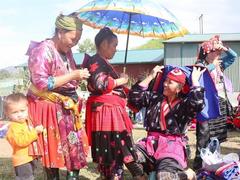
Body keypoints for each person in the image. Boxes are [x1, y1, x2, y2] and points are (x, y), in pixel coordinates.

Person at [26, 14, 90, 180]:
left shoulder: (66, 51)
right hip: (49, 107)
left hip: (66, 106)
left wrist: (76, 76)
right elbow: (41, 83)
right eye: (73, 39)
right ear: (60, 32)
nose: (74, 43)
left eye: (78, 40)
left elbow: (67, 76)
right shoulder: (42, 50)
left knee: (75, 148)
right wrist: (73, 75)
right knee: (53, 153)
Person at [83, 27, 145, 179]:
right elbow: (99, 84)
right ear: (104, 44)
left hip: (110, 111)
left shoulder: (102, 62)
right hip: (106, 112)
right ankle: (125, 174)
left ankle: (128, 173)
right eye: (114, 45)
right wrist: (120, 80)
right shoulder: (95, 61)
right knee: (113, 148)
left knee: (119, 145)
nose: (116, 49)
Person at [128, 65, 206, 180]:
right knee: (127, 153)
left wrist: (195, 81)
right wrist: (150, 76)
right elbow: (134, 98)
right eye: (165, 80)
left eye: (170, 82)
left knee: (163, 177)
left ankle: (189, 175)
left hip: (171, 147)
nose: (165, 84)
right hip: (150, 145)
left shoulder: (184, 104)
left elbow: (198, 103)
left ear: (179, 88)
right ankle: (141, 176)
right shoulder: (154, 98)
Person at [193, 35, 238, 171]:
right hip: (206, 105)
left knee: (217, 136)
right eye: (215, 51)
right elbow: (201, 75)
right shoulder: (200, 65)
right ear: (207, 52)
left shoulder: (219, 64)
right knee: (204, 135)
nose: (218, 53)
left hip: (220, 103)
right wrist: (214, 65)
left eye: (219, 52)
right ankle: (199, 165)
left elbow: (233, 56)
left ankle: (213, 161)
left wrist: (224, 48)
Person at [4, 93, 43, 180]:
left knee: (30, 176)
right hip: (22, 160)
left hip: (29, 157)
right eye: (15, 112)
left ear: (27, 109)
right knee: (26, 178)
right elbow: (20, 141)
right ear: (7, 114)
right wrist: (35, 132)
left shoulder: (26, 122)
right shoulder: (13, 127)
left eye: (22, 110)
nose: (20, 114)